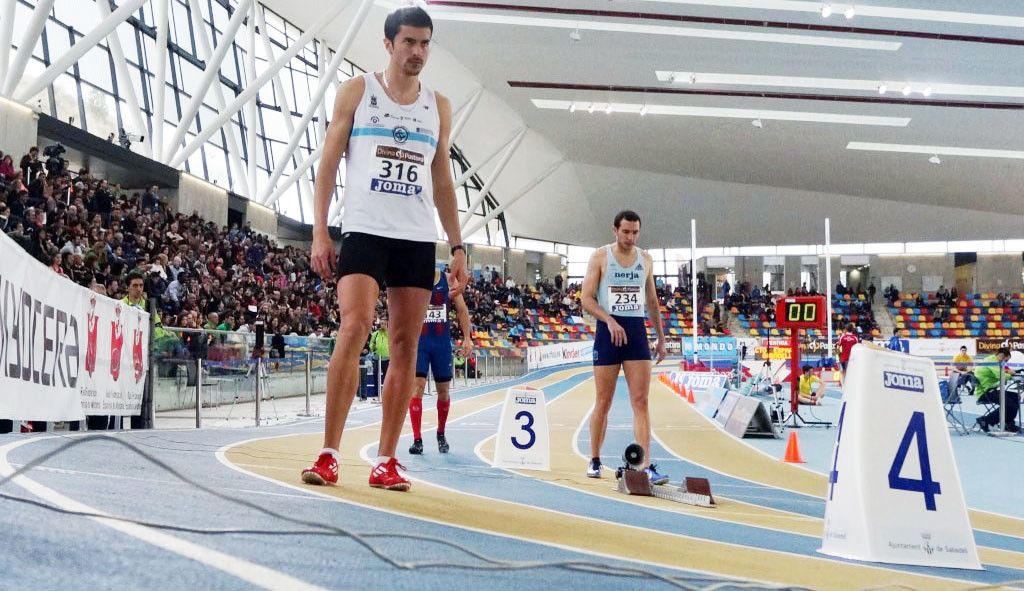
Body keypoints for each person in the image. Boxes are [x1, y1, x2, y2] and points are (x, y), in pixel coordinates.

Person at [302, 6, 468, 492]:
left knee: (404, 345)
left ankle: (387, 459)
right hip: (365, 230)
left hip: (416, 237)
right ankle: (329, 452)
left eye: (425, 43)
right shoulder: (358, 92)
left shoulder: (438, 105)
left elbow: (442, 179)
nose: (418, 52)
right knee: (353, 326)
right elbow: (329, 163)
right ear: (389, 43)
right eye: (410, 42)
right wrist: (319, 231)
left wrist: (457, 245)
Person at [581, 210, 668, 485]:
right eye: (626, 232)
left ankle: (644, 465)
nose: (631, 237)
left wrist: (662, 338)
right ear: (615, 230)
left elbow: (652, 302)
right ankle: (594, 459)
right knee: (603, 401)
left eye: (635, 232)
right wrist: (609, 320)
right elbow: (585, 298)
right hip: (608, 334)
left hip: (636, 333)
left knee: (641, 402)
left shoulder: (646, 259)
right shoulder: (600, 257)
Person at [408, 267, 473, 455]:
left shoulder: (448, 280)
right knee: (417, 388)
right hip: (420, 344)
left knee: (443, 392)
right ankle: (417, 439)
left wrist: (467, 338)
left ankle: (441, 433)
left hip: (441, 345)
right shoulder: (415, 277)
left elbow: (462, 309)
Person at [973, 347, 1018, 433]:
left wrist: (1008, 371)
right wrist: (1011, 375)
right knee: (1009, 405)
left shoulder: (994, 360)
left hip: (990, 390)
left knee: (1015, 396)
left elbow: (1004, 369)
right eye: (1006, 360)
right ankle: (986, 420)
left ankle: (1008, 424)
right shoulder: (991, 362)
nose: (1006, 363)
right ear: (1001, 356)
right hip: (984, 392)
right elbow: (1000, 375)